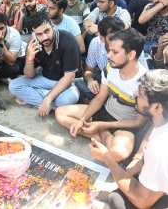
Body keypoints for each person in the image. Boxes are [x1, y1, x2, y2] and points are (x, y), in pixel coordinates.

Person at [90, 69, 168, 209]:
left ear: (157, 107)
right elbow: (155, 128)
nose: (135, 94)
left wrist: (108, 158)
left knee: (116, 199)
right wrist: (139, 159)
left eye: (141, 94)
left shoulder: (163, 148)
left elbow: (142, 202)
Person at [55, 28, 148, 162]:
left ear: (131, 55)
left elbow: (138, 122)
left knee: (118, 153)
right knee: (60, 113)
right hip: (104, 111)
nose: (108, 55)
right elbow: (100, 98)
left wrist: (102, 126)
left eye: (115, 52)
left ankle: (100, 134)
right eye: (109, 50)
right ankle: (103, 138)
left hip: (123, 125)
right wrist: (82, 120)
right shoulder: (110, 68)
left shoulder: (144, 83)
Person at [9, 11, 82, 117]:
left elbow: (69, 77)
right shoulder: (35, 44)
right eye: (39, 34)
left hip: (67, 83)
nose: (44, 37)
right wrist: (29, 59)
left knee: (70, 99)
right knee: (14, 86)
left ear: (52, 26)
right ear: (34, 33)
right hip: (45, 79)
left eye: (46, 31)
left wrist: (47, 99)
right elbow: (29, 75)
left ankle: (44, 100)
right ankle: (54, 105)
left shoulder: (68, 42)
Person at [75, 17, 148, 103]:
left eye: (120, 35)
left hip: (127, 87)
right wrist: (91, 81)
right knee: (79, 82)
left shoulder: (131, 46)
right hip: (105, 82)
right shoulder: (96, 43)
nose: (117, 40)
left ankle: (105, 100)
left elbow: (145, 78)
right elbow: (88, 70)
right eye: (113, 37)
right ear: (102, 38)